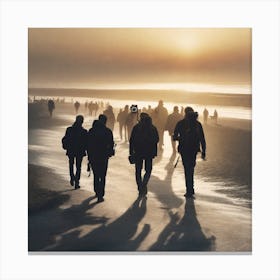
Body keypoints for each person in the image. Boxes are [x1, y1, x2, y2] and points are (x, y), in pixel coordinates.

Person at [173, 107, 206, 198]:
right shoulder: (197, 124)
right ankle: (190, 189)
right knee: (191, 169)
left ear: (185, 113)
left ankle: (189, 190)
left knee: (187, 169)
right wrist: (204, 151)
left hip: (184, 149)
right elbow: (202, 139)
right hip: (194, 150)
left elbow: (174, 137)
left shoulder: (180, 123)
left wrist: (181, 138)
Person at [129, 113, 159, 196]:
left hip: (138, 152)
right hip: (149, 153)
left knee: (138, 170)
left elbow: (131, 140)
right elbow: (157, 139)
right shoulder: (153, 128)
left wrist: (131, 152)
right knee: (148, 170)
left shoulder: (136, 128)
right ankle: (144, 184)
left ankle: (140, 186)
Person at [87, 114, 115, 202]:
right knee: (102, 175)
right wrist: (110, 152)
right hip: (104, 156)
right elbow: (111, 144)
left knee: (96, 174)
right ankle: (101, 194)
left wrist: (89, 155)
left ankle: (97, 191)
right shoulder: (108, 131)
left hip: (94, 155)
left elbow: (88, 144)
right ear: (105, 121)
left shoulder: (92, 130)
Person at [62, 115, 87, 189]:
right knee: (78, 166)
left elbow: (65, 139)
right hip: (80, 151)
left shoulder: (69, 129)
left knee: (71, 164)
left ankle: (72, 177)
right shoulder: (84, 131)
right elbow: (86, 143)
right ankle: (77, 182)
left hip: (71, 149)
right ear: (82, 122)